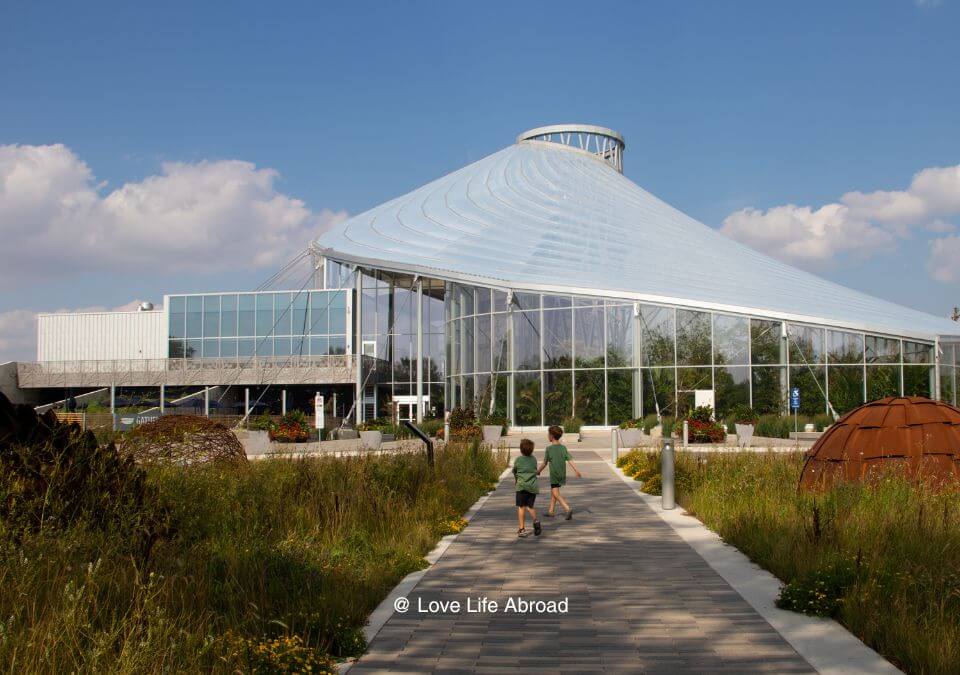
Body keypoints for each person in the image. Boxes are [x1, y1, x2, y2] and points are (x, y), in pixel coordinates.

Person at [538, 425, 581, 520]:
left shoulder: (549, 449)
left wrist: (538, 471)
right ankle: (551, 511)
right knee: (554, 491)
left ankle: (567, 508)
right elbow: (569, 459)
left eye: (548, 434)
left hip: (554, 474)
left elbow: (544, 463)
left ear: (552, 436)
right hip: (562, 473)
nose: (547, 436)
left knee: (555, 493)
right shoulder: (563, 448)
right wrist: (576, 470)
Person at [513, 438, 541, 537]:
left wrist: (516, 480)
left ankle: (522, 529)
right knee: (530, 506)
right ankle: (536, 521)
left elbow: (515, 471)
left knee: (521, 507)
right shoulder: (533, 459)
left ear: (521, 449)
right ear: (531, 450)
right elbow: (535, 470)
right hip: (532, 487)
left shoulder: (518, 460)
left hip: (521, 487)